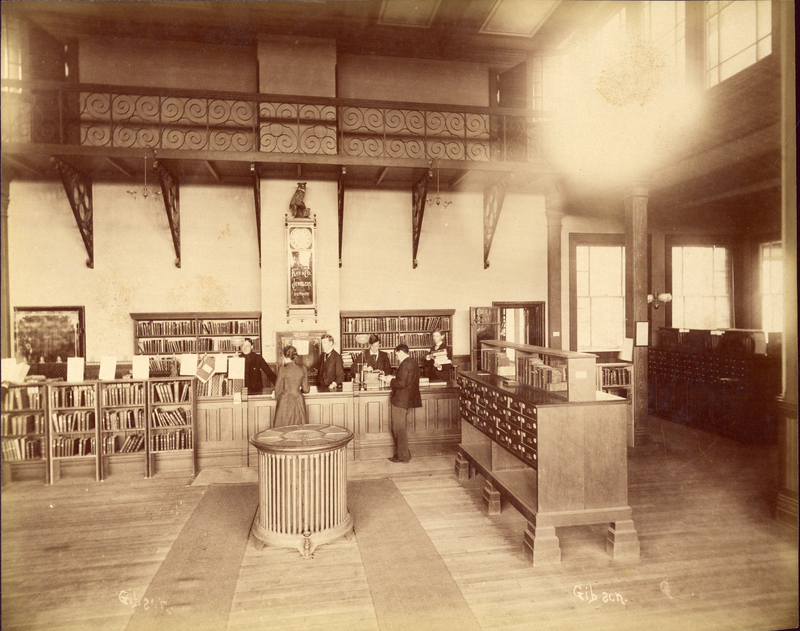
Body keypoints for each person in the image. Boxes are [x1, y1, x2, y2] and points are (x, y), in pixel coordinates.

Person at [386, 343, 421, 463]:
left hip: (401, 401)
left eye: (397, 355)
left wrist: (390, 380)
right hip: (408, 400)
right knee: (400, 429)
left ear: (401, 352)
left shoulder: (405, 364)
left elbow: (401, 383)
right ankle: (404, 453)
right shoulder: (413, 362)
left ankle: (403, 456)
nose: (396, 358)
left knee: (398, 429)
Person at [273, 345, 310, 427]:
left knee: (283, 428)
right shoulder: (303, 368)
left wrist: (277, 395)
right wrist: (298, 389)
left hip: (285, 402)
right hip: (299, 400)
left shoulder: (283, 369)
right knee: (300, 428)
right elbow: (306, 389)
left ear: (284, 357)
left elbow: (278, 390)